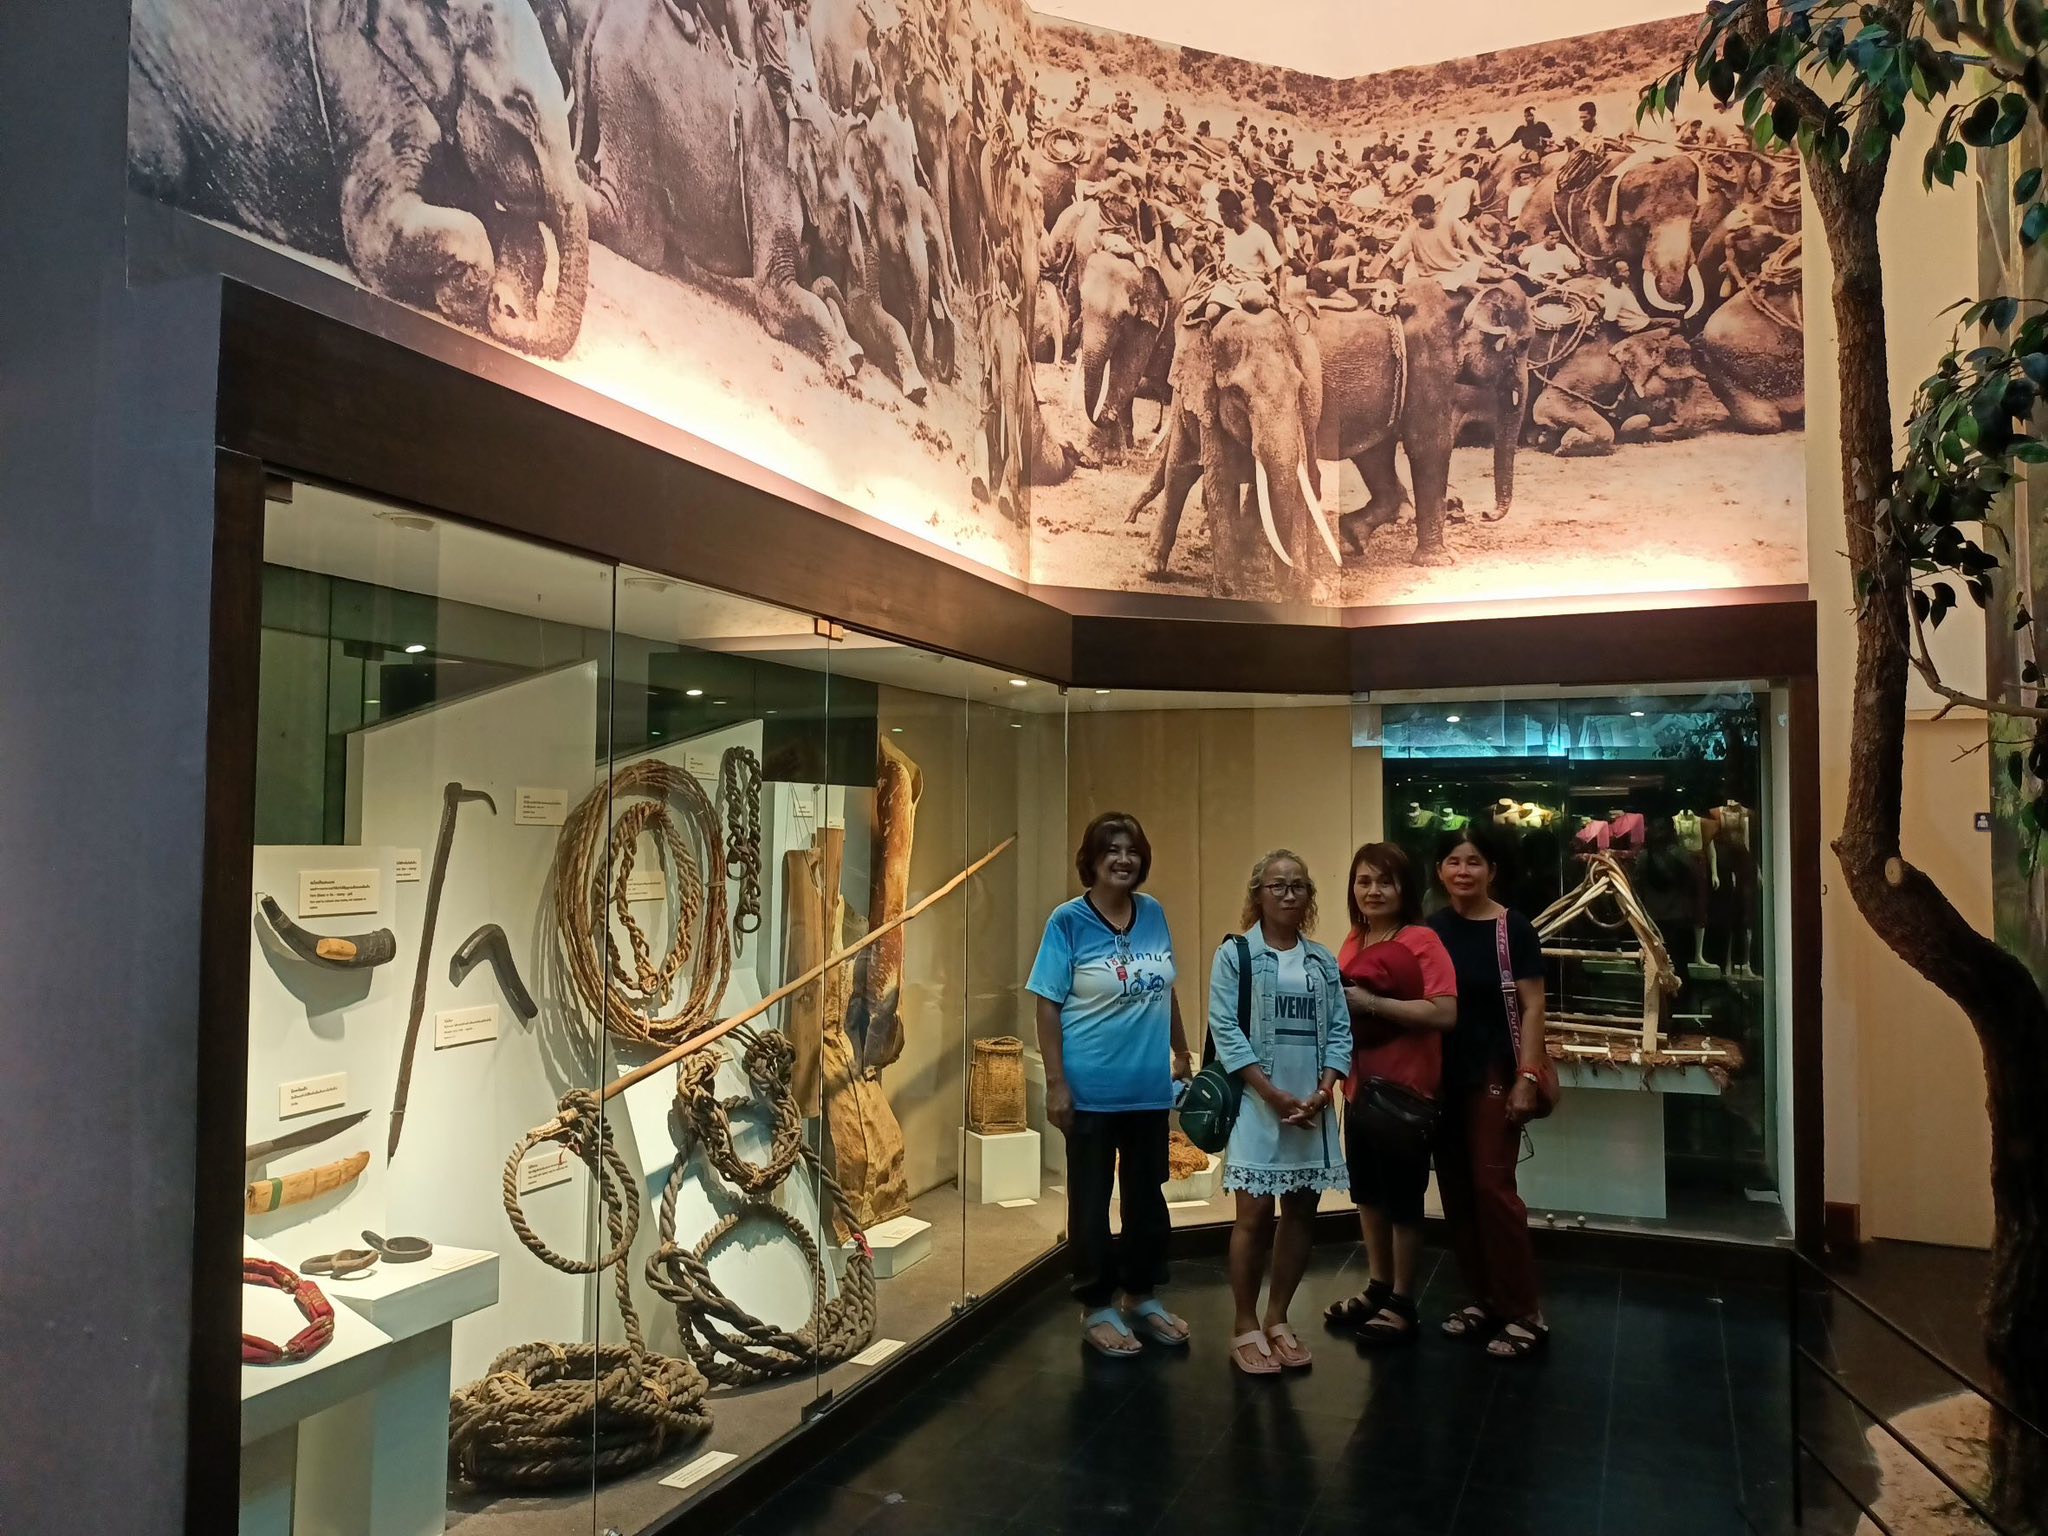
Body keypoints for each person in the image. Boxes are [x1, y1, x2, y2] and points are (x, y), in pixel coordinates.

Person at [1027, 812, 1194, 1357]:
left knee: (1148, 1200)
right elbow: (1047, 1006)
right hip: (1090, 1092)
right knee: (1091, 1203)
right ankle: (1096, 1304)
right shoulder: (1068, 921)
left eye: (1132, 850)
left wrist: (1182, 1052)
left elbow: (1165, 989)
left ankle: (1141, 1294)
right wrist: (1056, 1083)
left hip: (1148, 1089)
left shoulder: (1154, 913)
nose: (1124, 860)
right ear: (1092, 860)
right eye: (1112, 850)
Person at [1207, 850, 1351, 1374]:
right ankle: (1244, 1324)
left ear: (1309, 896)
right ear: (1258, 894)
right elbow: (1225, 1030)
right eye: (1277, 886)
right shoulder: (1235, 955)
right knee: (1252, 1216)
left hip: (1311, 1107)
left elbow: (1340, 1030)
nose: (1289, 895)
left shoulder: (1323, 961)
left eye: (1298, 886)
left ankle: (1278, 1318)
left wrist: (1324, 1090)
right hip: (1257, 1102)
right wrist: (1271, 1094)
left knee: (1301, 1213)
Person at [1323, 844, 1457, 1346]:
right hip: (1358, 1088)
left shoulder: (1422, 940)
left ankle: (1402, 1300)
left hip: (1405, 1089)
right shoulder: (1354, 938)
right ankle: (1378, 1286)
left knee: (1402, 1200)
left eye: (1385, 881)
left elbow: (1444, 1012)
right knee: (1367, 1194)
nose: (1373, 891)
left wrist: (1374, 1004)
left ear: (1405, 888)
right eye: (1364, 881)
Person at [1427, 828, 1550, 1360]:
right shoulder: (1430, 930)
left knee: (1493, 1189)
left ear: (1491, 871)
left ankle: (1525, 1310)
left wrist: (1528, 1075)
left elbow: (1533, 1007)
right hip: (1442, 1078)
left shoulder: (1512, 928)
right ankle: (1483, 1298)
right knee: (1456, 1191)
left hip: (1495, 1074)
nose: (1463, 871)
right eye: (1453, 861)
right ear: (1439, 871)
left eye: (1474, 861)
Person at [1386, 192, 1482, 292]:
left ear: (1433, 212)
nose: (1419, 221)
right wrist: (1377, 273)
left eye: (1424, 217)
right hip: (1436, 275)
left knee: (1490, 272)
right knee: (1473, 286)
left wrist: (1477, 258)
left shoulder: (1448, 221)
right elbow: (1393, 254)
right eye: (1416, 217)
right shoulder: (1412, 232)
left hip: (1456, 266)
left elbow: (1467, 238)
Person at [1600, 258, 1652, 334]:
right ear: (1614, 275)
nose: (1628, 273)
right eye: (1624, 271)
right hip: (1637, 326)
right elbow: (1609, 319)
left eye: (1627, 270)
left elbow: (1600, 289)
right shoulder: (1615, 294)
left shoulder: (1613, 282)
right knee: (1670, 324)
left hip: (1641, 319)